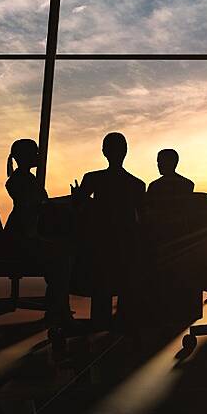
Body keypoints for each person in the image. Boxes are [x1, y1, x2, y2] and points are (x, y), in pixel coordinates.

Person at [70, 132, 146, 328]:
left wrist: (79, 198)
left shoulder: (92, 179)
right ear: (125, 152)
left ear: (104, 152)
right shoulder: (137, 184)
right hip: (128, 245)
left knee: (100, 275)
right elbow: (142, 217)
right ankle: (125, 317)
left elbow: (77, 207)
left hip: (98, 244)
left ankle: (100, 319)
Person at [2, 139, 74, 324]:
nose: (38, 156)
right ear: (24, 157)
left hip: (26, 234)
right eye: (34, 153)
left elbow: (41, 205)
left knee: (61, 250)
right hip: (22, 238)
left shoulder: (28, 180)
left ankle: (57, 306)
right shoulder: (19, 182)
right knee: (62, 256)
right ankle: (57, 309)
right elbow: (35, 207)